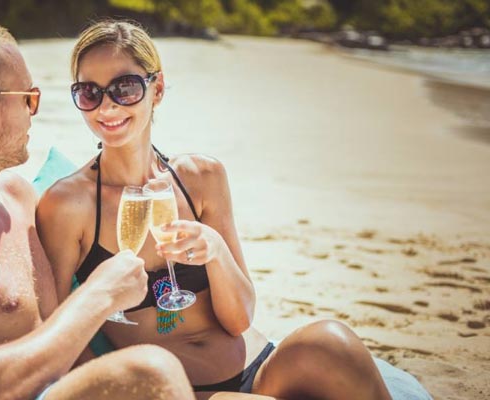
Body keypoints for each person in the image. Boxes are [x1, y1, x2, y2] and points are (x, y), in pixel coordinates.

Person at [36, 20, 393, 400]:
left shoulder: (202, 178)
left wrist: (216, 250)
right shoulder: (68, 205)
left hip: (261, 367)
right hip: (177, 389)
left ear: (156, 90)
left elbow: (239, 319)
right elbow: (57, 332)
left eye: (125, 88)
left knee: (332, 342)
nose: (107, 106)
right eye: (90, 92)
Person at [0, 12, 196, 400]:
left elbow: (63, 344)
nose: (32, 112)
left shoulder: (17, 197)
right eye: (29, 97)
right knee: (151, 371)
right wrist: (99, 295)